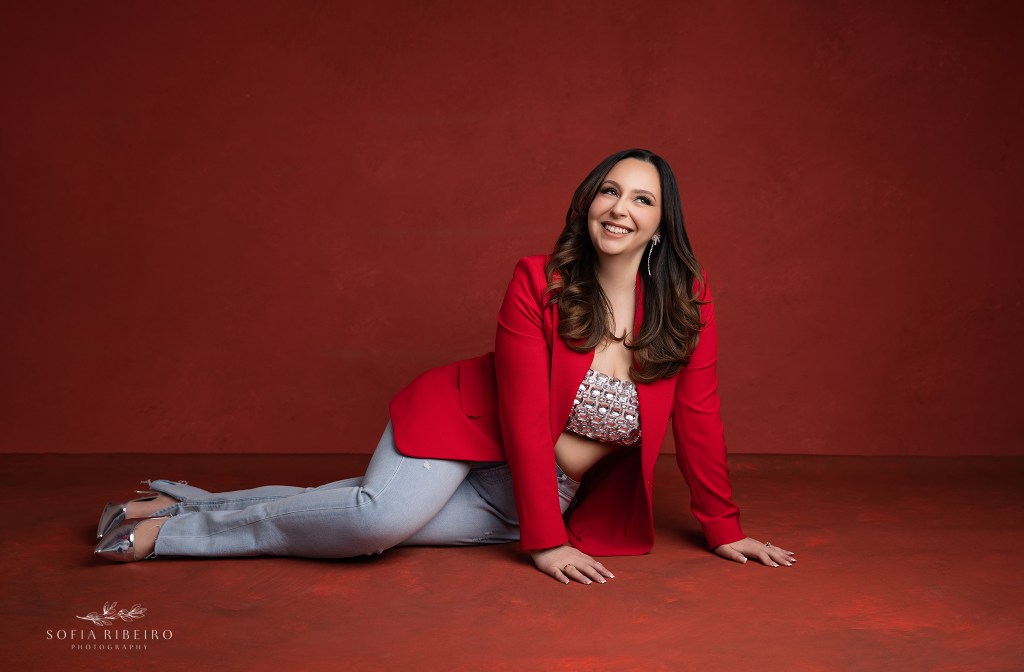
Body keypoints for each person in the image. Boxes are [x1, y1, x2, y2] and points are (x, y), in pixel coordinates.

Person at [94, 149, 796, 584]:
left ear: (661, 224)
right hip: (462, 431)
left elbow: (700, 416)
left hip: (532, 491)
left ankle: (180, 499)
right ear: (588, 202)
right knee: (372, 523)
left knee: (345, 512)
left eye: (643, 198)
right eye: (609, 190)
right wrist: (545, 542)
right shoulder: (536, 280)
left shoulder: (685, 301)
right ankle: (168, 534)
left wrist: (724, 528)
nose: (620, 207)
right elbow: (523, 415)